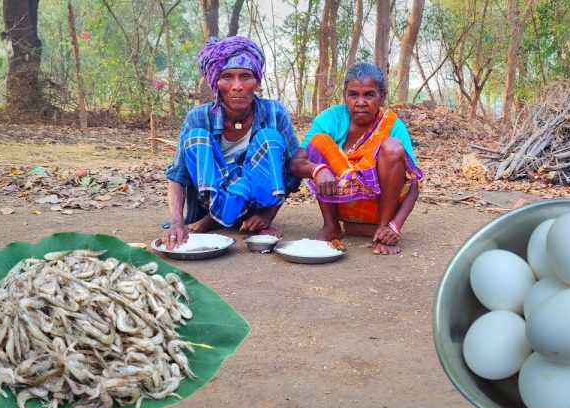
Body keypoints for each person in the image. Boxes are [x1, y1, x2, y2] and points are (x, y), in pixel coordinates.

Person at [162, 36, 300, 249]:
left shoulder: (274, 111)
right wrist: (176, 222)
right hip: (211, 201)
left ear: (258, 81)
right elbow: (178, 175)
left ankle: (220, 220)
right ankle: (213, 217)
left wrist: (267, 216)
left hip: (256, 203)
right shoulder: (198, 117)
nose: (237, 86)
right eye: (227, 77)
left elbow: (293, 168)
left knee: (270, 139)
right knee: (196, 138)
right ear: (215, 83)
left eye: (245, 76)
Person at [290, 62, 424, 255]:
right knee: (320, 142)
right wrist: (317, 170)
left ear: (382, 97)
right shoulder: (331, 119)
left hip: (381, 208)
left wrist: (393, 227)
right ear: (345, 96)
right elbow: (296, 162)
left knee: (393, 148)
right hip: (341, 203)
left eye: (369, 95)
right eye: (354, 95)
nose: (360, 102)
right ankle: (331, 227)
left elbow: (413, 184)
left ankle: (381, 230)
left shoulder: (392, 124)